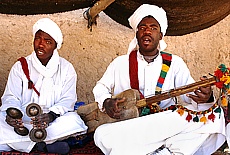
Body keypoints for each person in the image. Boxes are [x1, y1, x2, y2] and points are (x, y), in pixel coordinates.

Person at [93, 4, 226, 155]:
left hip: (164, 124)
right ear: (136, 33)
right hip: (130, 126)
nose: (147, 31)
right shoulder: (120, 63)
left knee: (214, 116)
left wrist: (206, 97)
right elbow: (100, 87)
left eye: (153, 27)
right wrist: (106, 101)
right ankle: (164, 150)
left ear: (161, 35)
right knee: (101, 135)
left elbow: (191, 97)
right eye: (142, 27)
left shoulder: (174, 63)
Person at [0, 18, 88, 154]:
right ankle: (44, 145)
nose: (41, 45)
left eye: (48, 42)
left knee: (74, 122)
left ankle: (27, 144)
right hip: (24, 120)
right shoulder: (20, 66)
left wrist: (51, 116)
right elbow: (11, 96)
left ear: (55, 45)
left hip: (51, 122)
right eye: (38, 39)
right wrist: (12, 115)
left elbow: (67, 100)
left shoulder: (66, 68)